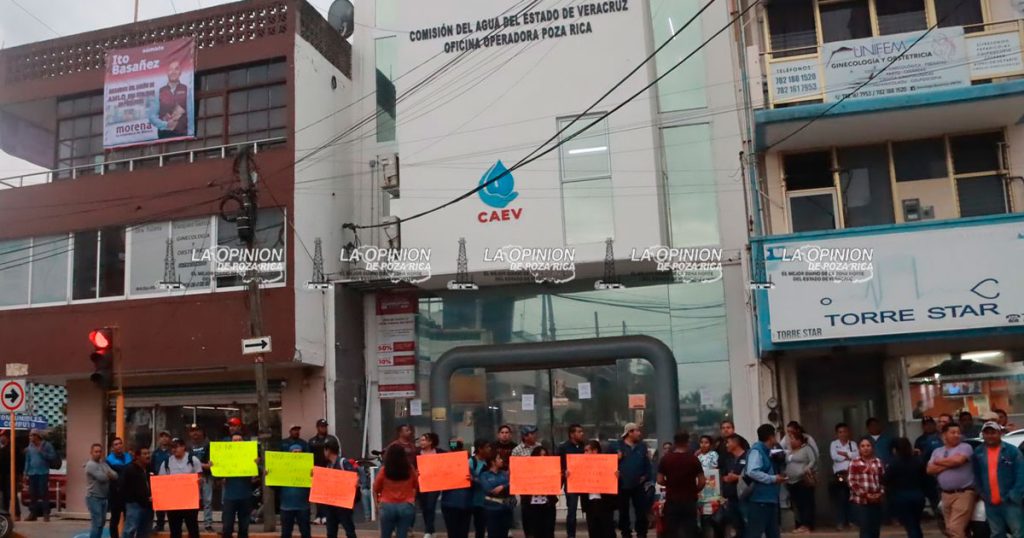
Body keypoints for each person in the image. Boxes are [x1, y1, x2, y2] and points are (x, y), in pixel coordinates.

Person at [972, 420, 1024, 538]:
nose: (990, 435)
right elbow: (976, 474)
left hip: (1010, 502)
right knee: (996, 533)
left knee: (1018, 533)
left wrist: (1013, 495)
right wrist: (981, 493)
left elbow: (1021, 474)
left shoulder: (1012, 451)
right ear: (983, 434)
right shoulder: (978, 452)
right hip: (991, 502)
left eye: (993, 432)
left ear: (1000, 433)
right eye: (987, 433)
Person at [927, 422, 976, 538]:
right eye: (953, 432)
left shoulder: (965, 447)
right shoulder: (937, 451)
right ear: (944, 435)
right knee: (949, 530)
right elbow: (929, 469)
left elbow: (958, 461)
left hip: (963, 493)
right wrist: (950, 463)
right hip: (945, 495)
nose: (956, 435)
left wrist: (938, 462)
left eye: (958, 433)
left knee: (955, 528)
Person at [658, 431, 705, 538]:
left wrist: (669, 484)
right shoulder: (693, 459)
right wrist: (694, 490)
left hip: (672, 500)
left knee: (672, 530)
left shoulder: (666, 459)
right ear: (687, 442)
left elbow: (659, 480)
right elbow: (702, 481)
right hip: (689, 500)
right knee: (690, 530)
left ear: (674, 443)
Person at [744, 424, 786, 538]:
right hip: (759, 500)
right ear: (771, 437)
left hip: (770, 500)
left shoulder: (768, 451)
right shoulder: (757, 451)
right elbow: (752, 471)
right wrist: (773, 478)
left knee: (773, 534)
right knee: (754, 534)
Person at [216, 432, 258, 538]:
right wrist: (214, 466)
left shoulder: (251, 456)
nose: (238, 442)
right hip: (230, 497)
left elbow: (257, 477)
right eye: (235, 440)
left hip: (245, 496)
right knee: (227, 527)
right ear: (231, 442)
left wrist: (256, 465)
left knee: (244, 528)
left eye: (240, 439)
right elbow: (217, 478)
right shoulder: (225, 457)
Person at [615, 422, 653, 538]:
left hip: (639, 484)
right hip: (622, 484)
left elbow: (647, 463)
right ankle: (626, 533)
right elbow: (607, 463)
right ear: (630, 432)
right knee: (624, 511)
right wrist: (617, 459)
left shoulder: (642, 446)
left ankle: (642, 533)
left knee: (641, 511)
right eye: (637, 431)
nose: (639, 433)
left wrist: (646, 476)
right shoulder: (617, 446)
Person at [159, 437, 202, 538]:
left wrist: (200, 481)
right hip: (174, 503)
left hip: (190, 502)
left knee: (193, 529)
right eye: (172, 447)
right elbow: (161, 481)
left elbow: (199, 476)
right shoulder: (166, 463)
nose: (174, 449)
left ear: (183, 447)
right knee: (175, 531)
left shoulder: (193, 460)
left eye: (177, 447)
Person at [884, 438, 928, 538]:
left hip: (901, 497)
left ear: (895, 450)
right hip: (918, 495)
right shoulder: (917, 461)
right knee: (916, 524)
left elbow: (886, 479)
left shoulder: (893, 463)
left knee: (910, 525)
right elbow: (925, 478)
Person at [374, 444, 418, 538]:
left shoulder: (384, 470)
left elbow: (376, 488)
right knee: (402, 535)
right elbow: (415, 485)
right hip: (406, 505)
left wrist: (377, 505)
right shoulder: (410, 469)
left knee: (385, 535)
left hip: (387, 505)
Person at [579, 440, 617, 538]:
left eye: (587, 451)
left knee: (607, 530)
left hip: (604, 503)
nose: (585, 453)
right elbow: (576, 484)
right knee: (593, 530)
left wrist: (616, 476)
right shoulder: (581, 466)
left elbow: (616, 485)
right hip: (590, 503)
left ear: (595, 451)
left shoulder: (607, 464)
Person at [849, 437, 885, 538]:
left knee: (875, 530)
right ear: (859, 448)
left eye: (868, 446)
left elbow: (883, 480)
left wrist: (880, 493)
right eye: (863, 446)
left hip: (876, 501)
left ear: (872, 447)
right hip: (861, 502)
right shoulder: (855, 462)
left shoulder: (878, 462)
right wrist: (865, 495)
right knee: (865, 530)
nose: (866, 448)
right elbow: (852, 482)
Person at [324, 439, 359, 538]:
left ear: (328, 450)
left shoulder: (343, 462)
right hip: (331, 504)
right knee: (331, 532)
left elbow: (353, 478)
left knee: (349, 530)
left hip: (343, 504)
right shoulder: (329, 466)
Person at [276, 445, 313, 538]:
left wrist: (313, 476)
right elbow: (273, 486)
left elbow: (314, 486)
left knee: (306, 533)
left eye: (299, 452)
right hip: (286, 507)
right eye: (294, 452)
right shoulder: (282, 469)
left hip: (303, 507)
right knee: (286, 534)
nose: (296, 454)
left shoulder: (308, 468)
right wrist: (269, 475)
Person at [521, 447, 557, 538]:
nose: (542, 457)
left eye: (545, 455)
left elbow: (556, 486)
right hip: (532, 506)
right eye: (540, 455)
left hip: (547, 505)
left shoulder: (552, 469)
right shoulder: (526, 470)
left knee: (548, 531)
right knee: (534, 532)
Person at [784, 434, 817, 533]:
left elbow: (813, 460)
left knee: (805, 503)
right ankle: (799, 523)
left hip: (802, 480)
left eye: (793, 439)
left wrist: (807, 468)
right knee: (796, 504)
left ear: (799, 441)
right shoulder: (789, 452)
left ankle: (807, 524)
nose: (791, 441)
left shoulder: (806, 449)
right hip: (791, 481)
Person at [440, 442, 474, 538]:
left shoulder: (468, 468)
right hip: (451, 505)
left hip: (463, 505)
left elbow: (478, 482)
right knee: (454, 533)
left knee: (461, 532)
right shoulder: (444, 467)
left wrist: (472, 479)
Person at [558, 424, 586, 538]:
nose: (581, 434)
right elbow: (558, 465)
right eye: (579, 432)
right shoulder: (563, 447)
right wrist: (564, 472)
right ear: (572, 434)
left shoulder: (585, 446)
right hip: (571, 483)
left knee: (589, 508)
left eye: (581, 431)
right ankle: (571, 535)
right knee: (572, 511)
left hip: (586, 481)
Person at [309, 419, 340, 525]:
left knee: (327, 494)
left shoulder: (331, 439)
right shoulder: (312, 441)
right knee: (318, 494)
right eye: (322, 426)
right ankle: (319, 515)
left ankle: (327, 515)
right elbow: (309, 456)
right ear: (317, 427)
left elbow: (336, 452)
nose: (324, 428)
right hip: (317, 469)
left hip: (328, 468)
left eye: (325, 426)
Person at [913, 418, 943, 525]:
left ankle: (940, 517)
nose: (928, 427)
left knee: (937, 497)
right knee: (925, 496)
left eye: (930, 424)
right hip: (924, 473)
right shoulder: (920, 440)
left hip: (940, 471)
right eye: (926, 425)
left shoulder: (940, 437)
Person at [24, 429, 57, 522]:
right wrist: (25, 472)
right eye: (30, 435)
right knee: (32, 494)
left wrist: (41, 452)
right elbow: (28, 460)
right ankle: (33, 514)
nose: (30, 437)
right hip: (32, 473)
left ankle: (46, 514)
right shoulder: (30, 446)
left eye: (32, 435)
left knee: (43, 493)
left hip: (43, 473)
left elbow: (53, 457)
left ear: (37, 436)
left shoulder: (46, 445)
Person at [720, 434, 749, 538]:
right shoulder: (728, 459)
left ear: (736, 443)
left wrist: (737, 477)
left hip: (744, 498)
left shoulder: (748, 456)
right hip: (731, 498)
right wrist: (726, 478)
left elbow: (751, 475)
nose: (726, 445)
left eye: (728, 442)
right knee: (737, 526)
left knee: (748, 525)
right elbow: (723, 475)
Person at [86, 443, 118, 538]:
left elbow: (115, 475)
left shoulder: (103, 464)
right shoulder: (90, 465)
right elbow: (102, 478)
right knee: (97, 523)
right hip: (94, 498)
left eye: (100, 451)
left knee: (102, 523)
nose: (98, 453)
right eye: (96, 451)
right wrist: (108, 475)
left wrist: (108, 474)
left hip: (104, 498)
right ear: (91, 452)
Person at [122, 446, 154, 538]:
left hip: (148, 505)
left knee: (145, 531)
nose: (148, 456)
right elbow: (126, 488)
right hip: (134, 505)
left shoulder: (150, 468)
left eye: (149, 453)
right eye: (145, 454)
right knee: (130, 530)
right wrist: (143, 498)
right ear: (137, 456)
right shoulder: (130, 469)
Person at [417, 432, 444, 538]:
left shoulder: (439, 452)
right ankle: (431, 529)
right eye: (421, 440)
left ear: (430, 442)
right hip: (421, 483)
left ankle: (427, 531)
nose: (421, 442)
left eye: (424, 440)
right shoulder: (417, 453)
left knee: (431, 505)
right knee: (424, 507)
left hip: (435, 483)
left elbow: (449, 460)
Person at [829, 423, 856, 531]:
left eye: (845, 431)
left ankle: (852, 521)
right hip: (839, 474)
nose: (843, 434)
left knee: (852, 498)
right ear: (837, 434)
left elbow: (856, 456)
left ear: (848, 432)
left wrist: (845, 455)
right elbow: (835, 457)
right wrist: (848, 455)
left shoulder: (853, 444)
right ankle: (840, 522)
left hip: (851, 474)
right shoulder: (834, 444)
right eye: (840, 432)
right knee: (841, 498)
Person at [479, 453, 513, 538]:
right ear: (493, 462)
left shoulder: (504, 474)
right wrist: (504, 486)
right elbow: (489, 489)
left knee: (504, 533)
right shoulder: (485, 475)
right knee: (493, 533)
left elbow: (511, 484)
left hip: (505, 508)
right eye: (499, 459)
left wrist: (502, 486)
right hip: (491, 509)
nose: (501, 460)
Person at [188, 426, 214, 533]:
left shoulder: (209, 444)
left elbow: (212, 463)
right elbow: (187, 461)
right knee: (193, 501)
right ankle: (192, 522)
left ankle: (208, 524)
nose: (195, 433)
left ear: (202, 432)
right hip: (192, 477)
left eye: (198, 430)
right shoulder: (187, 445)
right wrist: (202, 465)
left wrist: (202, 465)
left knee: (207, 500)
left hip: (206, 476)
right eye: (192, 431)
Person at [108, 437, 134, 538]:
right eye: (116, 444)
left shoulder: (129, 457)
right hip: (115, 494)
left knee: (129, 519)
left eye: (120, 443)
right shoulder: (109, 460)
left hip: (128, 493)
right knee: (115, 519)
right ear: (112, 447)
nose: (119, 446)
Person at [157, 59, 189, 137]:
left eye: (176, 69)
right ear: (167, 72)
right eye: (170, 69)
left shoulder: (186, 89)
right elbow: (154, 114)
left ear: (180, 72)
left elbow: (184, 108)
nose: (173, 72)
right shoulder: (161, 91)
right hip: (164, 135)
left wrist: (174, 115)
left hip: (181, 134)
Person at [150, 431, 172, 533]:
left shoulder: (172, 452)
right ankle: (160, 524)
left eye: (166, 436)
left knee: (171, 505)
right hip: (158, 481)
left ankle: (173, 524)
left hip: (171, 481)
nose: (164, 439)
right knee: (159, 505)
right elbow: (152, 467)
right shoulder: (155, 453)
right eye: (162, 436)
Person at [469, 439, 491, 538]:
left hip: (487, 501)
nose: (489, 449)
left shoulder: (489, 462)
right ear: (480, 449)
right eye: (487, 447)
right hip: (475, 501)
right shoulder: (471, 461)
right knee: (479, 527)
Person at [0, 430, 24, 520]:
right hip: (2, 476)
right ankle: (5, 515)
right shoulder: (2, 448)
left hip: (11, 475)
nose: (1, 438)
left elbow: (20, 462)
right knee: (4, 496)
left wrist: (20, 475)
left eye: (3, 436)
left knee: (12, 495)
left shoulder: (14, 448)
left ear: (7, 437)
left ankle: (17, 514)